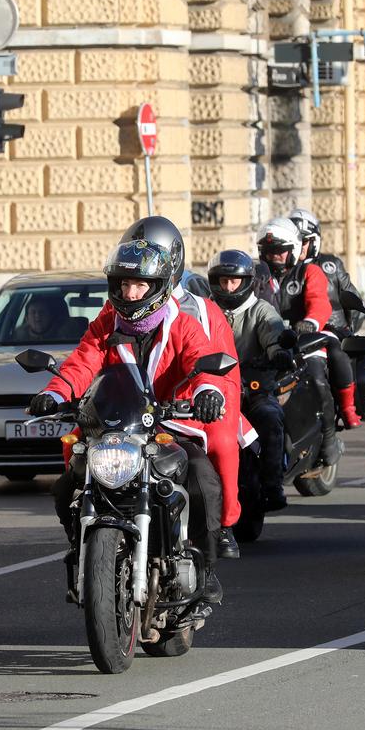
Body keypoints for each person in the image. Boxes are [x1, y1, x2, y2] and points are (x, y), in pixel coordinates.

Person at [29, 239, 228, 600]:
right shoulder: (106, 326)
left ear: (158, 287)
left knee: (201, 478)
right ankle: (84, 550)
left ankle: (205, 564)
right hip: (117, 428)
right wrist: (55, 394)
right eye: (123, 284)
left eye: (139, 285)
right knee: (66, 486)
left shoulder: (182, 327)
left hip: (168, 427)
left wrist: (207, 393)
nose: (130, 292)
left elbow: (203, 363)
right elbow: (81, 364)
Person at [116, 216, 250, 556]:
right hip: (137, 406)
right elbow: (92, 355)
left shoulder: (201, 310)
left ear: (172, 259)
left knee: (220, 440)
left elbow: (222, 366)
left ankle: (226, 524)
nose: (144, 268)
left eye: (156, 255)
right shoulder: (121, 306)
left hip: (192, 403)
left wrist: (211, 397)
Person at [256, 216, 340, 469]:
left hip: (305, 343)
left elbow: (319, 302)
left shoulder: (309, 272)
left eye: (281, 250)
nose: (275, 256)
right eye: (270, 251)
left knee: (316, 378)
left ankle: (328, 438)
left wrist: (310, 323)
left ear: (292, 250)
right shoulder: (257, 276)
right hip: (267, 345)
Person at [209, 249, 289, 513]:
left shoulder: (260, 310)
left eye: (234, 281)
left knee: (270, 416)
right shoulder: (205, 310)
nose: (229, 287)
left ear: (247, 282)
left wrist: (278, 352)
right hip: (212, 390)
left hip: (252, 390)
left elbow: (274, 332)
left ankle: (272, 484)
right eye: (224, 281)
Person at [287, 207, 364, 428]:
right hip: (300, 332)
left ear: (314, 241)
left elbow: (353, 299)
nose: (300, 247)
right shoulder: (287, 271)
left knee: (335, 347)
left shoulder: (331, 265)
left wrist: (349, 329)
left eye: (305, 241)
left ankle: (348, 407)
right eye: (296, 240)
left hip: (332, 328)